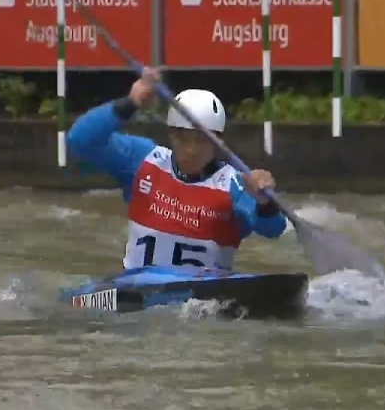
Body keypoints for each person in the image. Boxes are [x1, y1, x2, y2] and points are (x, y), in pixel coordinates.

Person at [66, 68, 287, 270]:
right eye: (183, 138)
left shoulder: (235, 184)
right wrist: (131, 103)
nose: (191, 150)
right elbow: (79, 140)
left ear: (218, 141)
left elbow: (273, 230)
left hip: (202, 302)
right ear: (171, 134)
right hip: (137, 290)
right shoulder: (142, 160)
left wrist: (264, 203)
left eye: (201, 140)